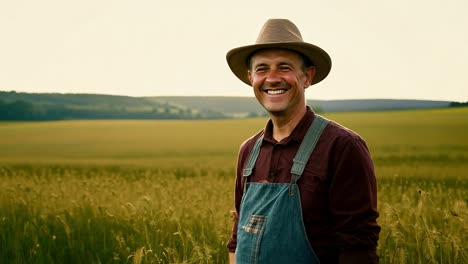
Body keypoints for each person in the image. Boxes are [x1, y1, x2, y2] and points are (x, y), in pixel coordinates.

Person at [225, 19, 380, 264]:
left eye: (284, 67)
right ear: (250, 77)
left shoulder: (341, 146)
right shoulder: (248, 151)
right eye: (262, 69)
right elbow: (237, 240)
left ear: (307, 76)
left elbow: (358, 249)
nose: (272, 78)